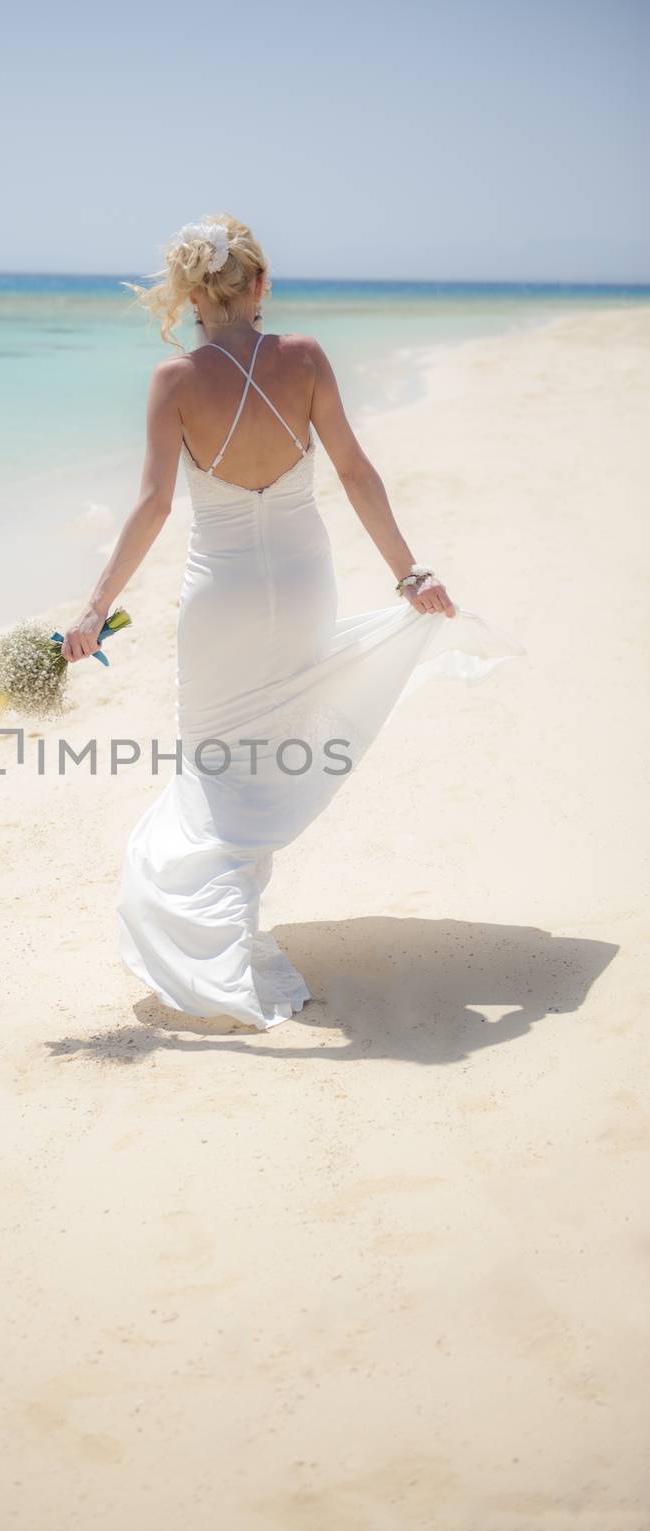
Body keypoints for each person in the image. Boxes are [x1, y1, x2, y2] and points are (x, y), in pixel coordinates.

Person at [60, 213, 521, 1031]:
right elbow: (352, 469)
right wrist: (409, 574)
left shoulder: (173, 381)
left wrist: (96, 607)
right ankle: (235, 923)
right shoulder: (304, 359)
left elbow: (154, 506)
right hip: (308, 584)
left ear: (192, 293)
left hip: (222, 596)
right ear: (260, 285)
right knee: (270, 757)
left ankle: (221, 946)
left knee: (214, 766)